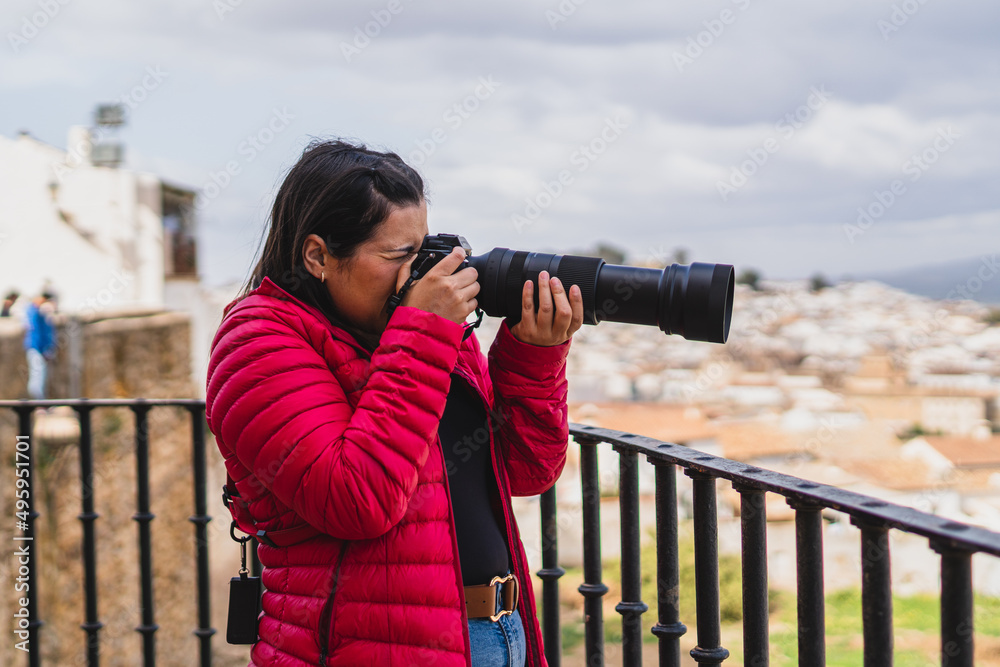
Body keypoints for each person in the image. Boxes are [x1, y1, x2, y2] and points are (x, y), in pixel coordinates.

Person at [206, 139, 584, 667]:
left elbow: (524, 472)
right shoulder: (258, 341)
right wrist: (424, 331)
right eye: (397, 256)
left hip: (502, 631)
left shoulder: (425, 331)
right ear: (317, 256)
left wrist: (533, 357)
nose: (418, 273)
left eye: (422, 248)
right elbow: (356, 501)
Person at [23, 290, 57, 401]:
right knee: (37, 377)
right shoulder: (34, 311)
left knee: (42, 377)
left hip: (42, 350)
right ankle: (38, 403)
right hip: (36, 349)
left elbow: (48, 334)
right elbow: (35, 332)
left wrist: (48, 350)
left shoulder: (45, 314)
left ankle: (41, 402)